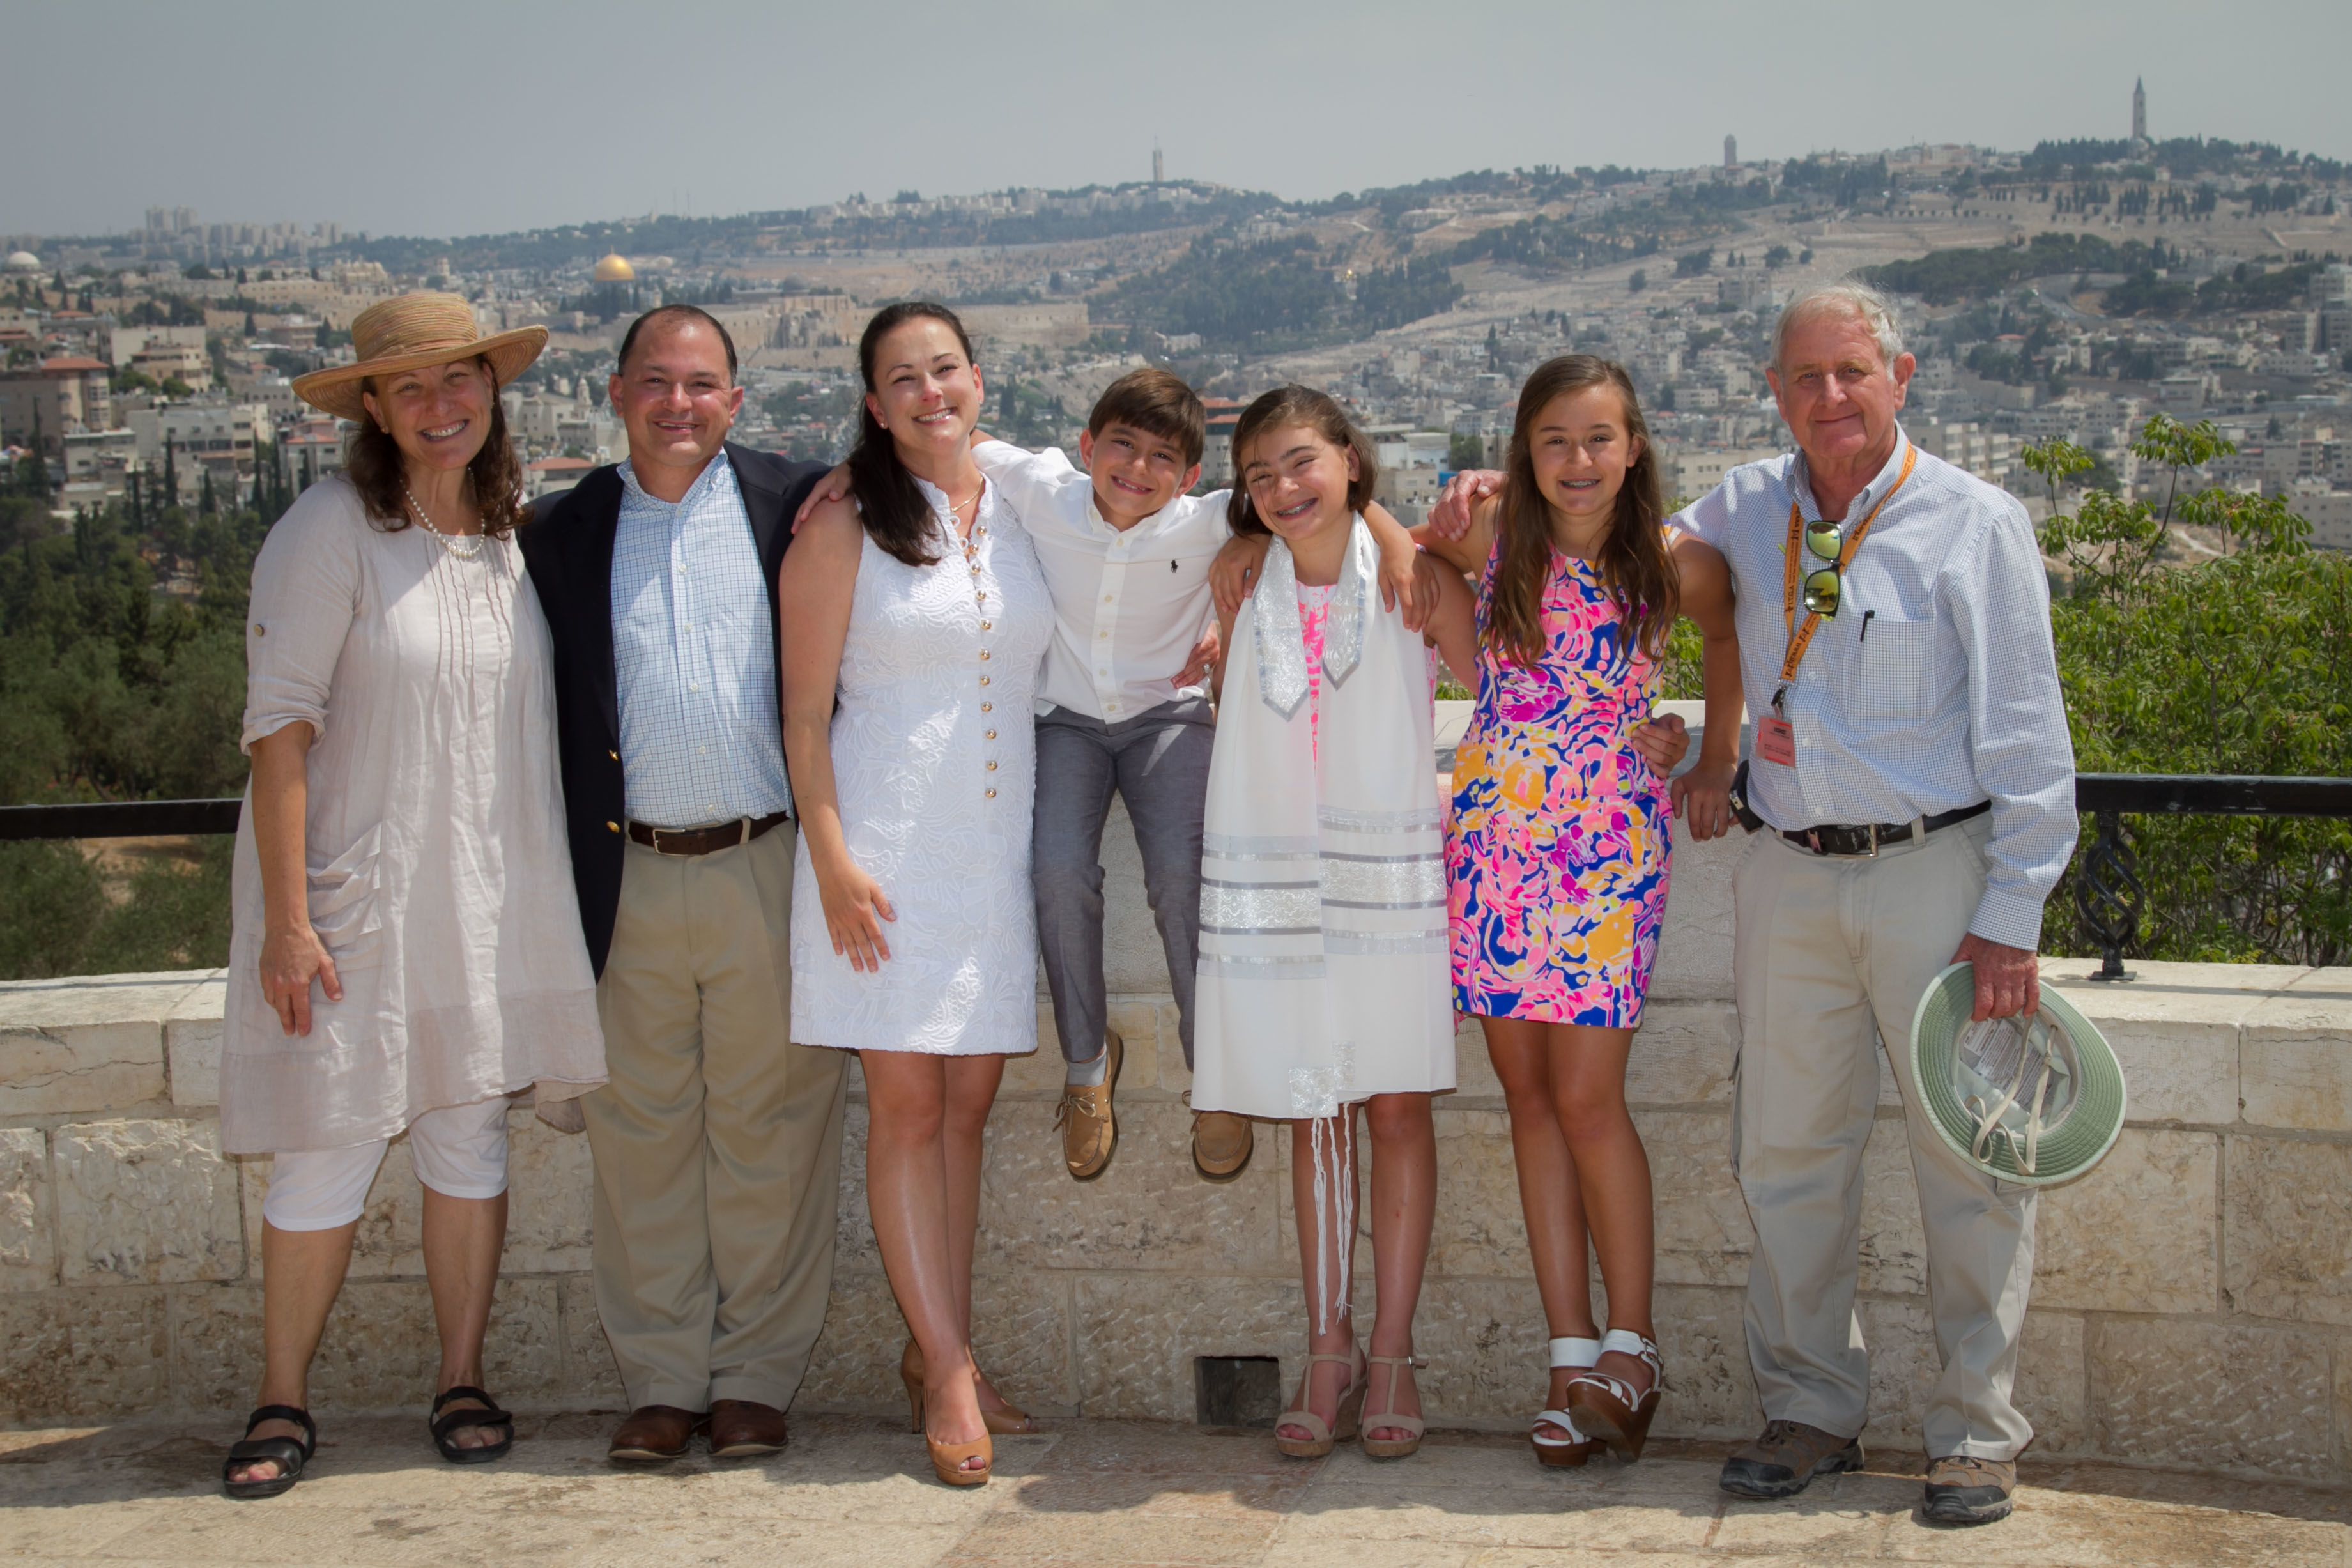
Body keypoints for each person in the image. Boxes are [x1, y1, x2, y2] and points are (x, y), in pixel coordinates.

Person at [800, 369, 1431, 1184]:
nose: (1138, 470)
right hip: (1064, 722)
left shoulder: (1210, 523)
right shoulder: (1043, 489)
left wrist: (1399, 540)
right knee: (1057, 873)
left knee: (1182, 874)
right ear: (1086, 447)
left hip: (1164, 719)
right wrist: (855, 466)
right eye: (1121, 448)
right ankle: (1088, 1062)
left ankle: (1218, 1076)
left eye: (1163, 458)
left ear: (1191, 477)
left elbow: (1331, 501)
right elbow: (944, 439)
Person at [1672, 281, 2077, 1528]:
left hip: (1932, 872)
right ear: (1774, 392)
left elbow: (2026, 733)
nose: (1830, 398)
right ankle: (1808, 1410)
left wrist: (2012, 911)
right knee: (1785, 1153)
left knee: (1967, 1163)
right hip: (1785, 869)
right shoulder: (1743, 507)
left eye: (1852, 372)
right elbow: (1609, 551)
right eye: (1804, 377)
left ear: (1900, 377)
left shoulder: (1972, 522)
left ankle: (1970, 1433)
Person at [220, 294, 606, 1498]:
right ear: (374, 409)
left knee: (466, 1140)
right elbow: (277, 732)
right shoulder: (329, 529)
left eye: (462, 382)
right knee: (325, 1148)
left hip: (481, 900)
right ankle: (281, 1395)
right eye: (413, 388)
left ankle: (460, 1375)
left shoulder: (504, 540)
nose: (443, 406)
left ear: (494, 392)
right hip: (354, 901)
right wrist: (288, 922)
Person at [519, 305, 846, 1466]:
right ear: (614, 393)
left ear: (736, 400)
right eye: (655, 381)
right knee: (639, 1136)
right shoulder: (558, 533)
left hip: (768, 862)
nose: (679, 403)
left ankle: (755, 1374)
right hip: (626, 875)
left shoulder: (799, 502)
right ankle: (662, 1377)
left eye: (703, 384)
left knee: (777, 1127)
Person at [1421, 355, 1735, 1468]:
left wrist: (1709, 749)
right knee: (1528, 1100)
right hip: (1498, 839)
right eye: (1553, 439)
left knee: (1590, 1098)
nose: (1578, 459)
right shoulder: (1491, 541)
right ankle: (1567, 1359)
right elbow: (1395, 541)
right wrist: (1449, 524)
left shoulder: (1672, 561)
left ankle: (1632, 1348)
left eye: (1598, 437)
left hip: (1607, 845)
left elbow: (1730, 636)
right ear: (1525, 449)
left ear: (1635, 444)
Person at [781, 301, 1052, 1488]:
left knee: (968, 1111)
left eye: (945, 368)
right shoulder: (841, 521)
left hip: (992, 855)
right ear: (874, 398)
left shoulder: (1025, 503)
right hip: (880, 856)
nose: (930, 391)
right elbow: (798, 712)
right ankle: (948, 1367)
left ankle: (934, 1341)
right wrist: (833, 857)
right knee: (905, 1108)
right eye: (904, 376)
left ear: (977, 378)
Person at [1190, 386, 1479, 1461]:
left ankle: (1393, 1348)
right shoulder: (1239, 580)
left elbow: (1507, 691)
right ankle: (1329, 1341)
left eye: (1299, 462)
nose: (1281, 489)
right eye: (1258, 476)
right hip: (1281, 901)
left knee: (1398, 1105)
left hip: (1386, 891)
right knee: (1316, 1113)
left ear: (1352, 460)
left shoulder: (1414, 578)